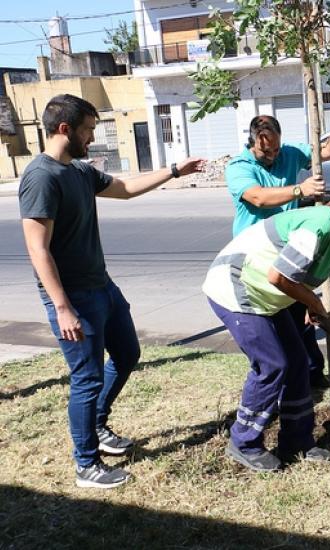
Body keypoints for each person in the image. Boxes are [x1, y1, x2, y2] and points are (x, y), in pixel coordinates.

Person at [18, 94, 205, 489]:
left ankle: (98, 423)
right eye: (87, 130)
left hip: (102, 286)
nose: (92, 138)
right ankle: (86, 464)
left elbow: (125, 187)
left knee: (127, 354)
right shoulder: (41, 177)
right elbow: (37, 248)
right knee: (86, 378)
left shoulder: (79, 172)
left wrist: (173, 170)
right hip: (75, 298)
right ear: (65, 129)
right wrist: (62, 307)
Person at [202, 192, 330, 471]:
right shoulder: (318, 226)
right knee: (273, 365)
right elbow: (279, 276)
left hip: (271, 298)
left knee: (299, 363)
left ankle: (296, 441)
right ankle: (243, 442)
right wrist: (313, 301)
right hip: (237, 286)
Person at [225, 112, 330, 388]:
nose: (272, 155)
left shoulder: (290, 152)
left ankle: (312, 374)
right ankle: (276, 379)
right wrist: (299, 189)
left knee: (302, 317)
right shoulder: (239, 166)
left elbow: (327, 150)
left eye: (275, 149)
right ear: (252, 142)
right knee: (269, 324)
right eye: (265, 150)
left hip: (289, 249)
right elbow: (258, 197)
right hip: (256, 258)